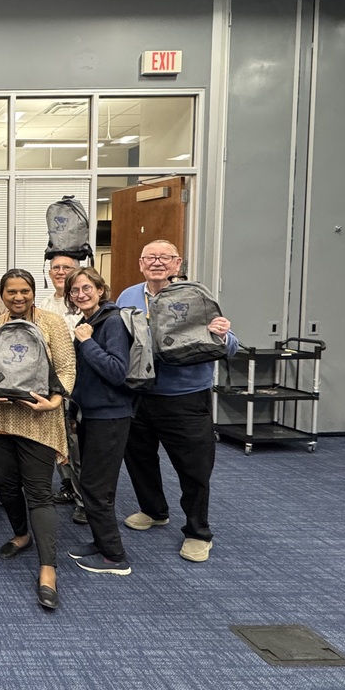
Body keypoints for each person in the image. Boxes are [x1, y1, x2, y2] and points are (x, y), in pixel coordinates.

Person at [115, 240, 237, 563]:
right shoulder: (128, 296)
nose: (157, 262)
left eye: (165, 257)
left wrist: (222, 334)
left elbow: (230, 344)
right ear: (141, 264)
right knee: (139, 458)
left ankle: (198, 532)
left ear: (178, 263)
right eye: (150, 257)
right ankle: (154, 510)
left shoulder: (195, 295)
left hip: (185, 397)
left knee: (193, 467)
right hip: (139, 394)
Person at [0, 268, 76, 610]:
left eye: (24, 291)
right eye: (11, 292)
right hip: (0, 418)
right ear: (2, 295)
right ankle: (21, 535)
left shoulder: (51, 323)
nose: (18, 297)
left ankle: (48, 569)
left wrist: (55, 402)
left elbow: (67, 368)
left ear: (33, 292)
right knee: (6, 487)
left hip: (38, 420)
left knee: (39, 493)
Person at [61, 267, 134, 576]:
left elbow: (117, 371)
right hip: (90, 414)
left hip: (111, 415)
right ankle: (101, 542)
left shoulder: (112, 321)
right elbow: (83, 375)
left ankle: (115, 557)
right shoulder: (88, 322)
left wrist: (88, 343)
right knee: (95, 484)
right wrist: (72, 412)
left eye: (87, 288)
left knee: (95, 487)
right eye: (75, 290)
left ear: (101, 290)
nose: (81, 294)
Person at [38, 254, 85, 522]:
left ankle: (84, 500)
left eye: (66, 267)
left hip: (78, 384)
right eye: (55, 267)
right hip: (50, 383)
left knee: (76, 444)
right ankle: (67, 486)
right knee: (58, 440)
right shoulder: (45, 304)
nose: (60, 271)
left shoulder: (81, 302)